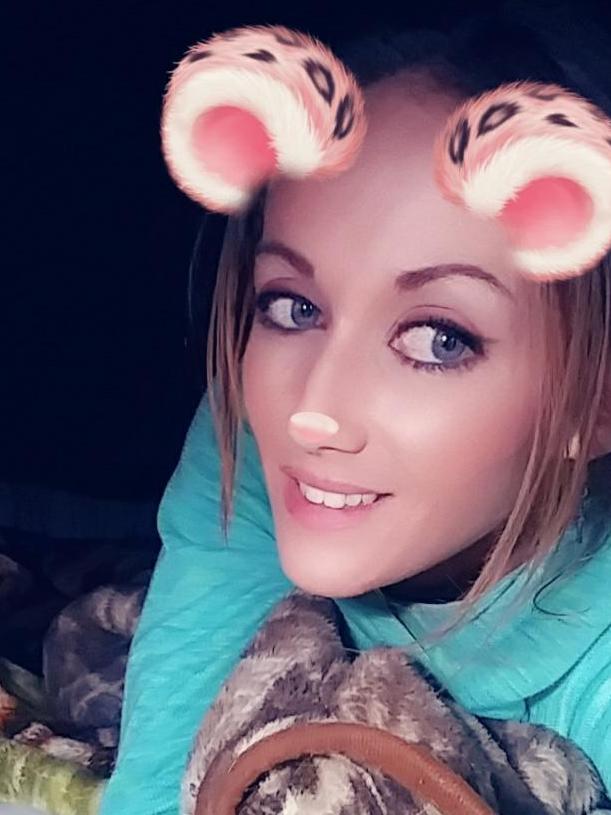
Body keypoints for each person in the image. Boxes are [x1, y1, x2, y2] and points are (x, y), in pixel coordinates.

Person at [100, 11, 611, 815]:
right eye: (292, 306)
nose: (312, 411)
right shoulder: (251, 430)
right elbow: (152, 794)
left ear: (596, 400)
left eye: (438, 338)